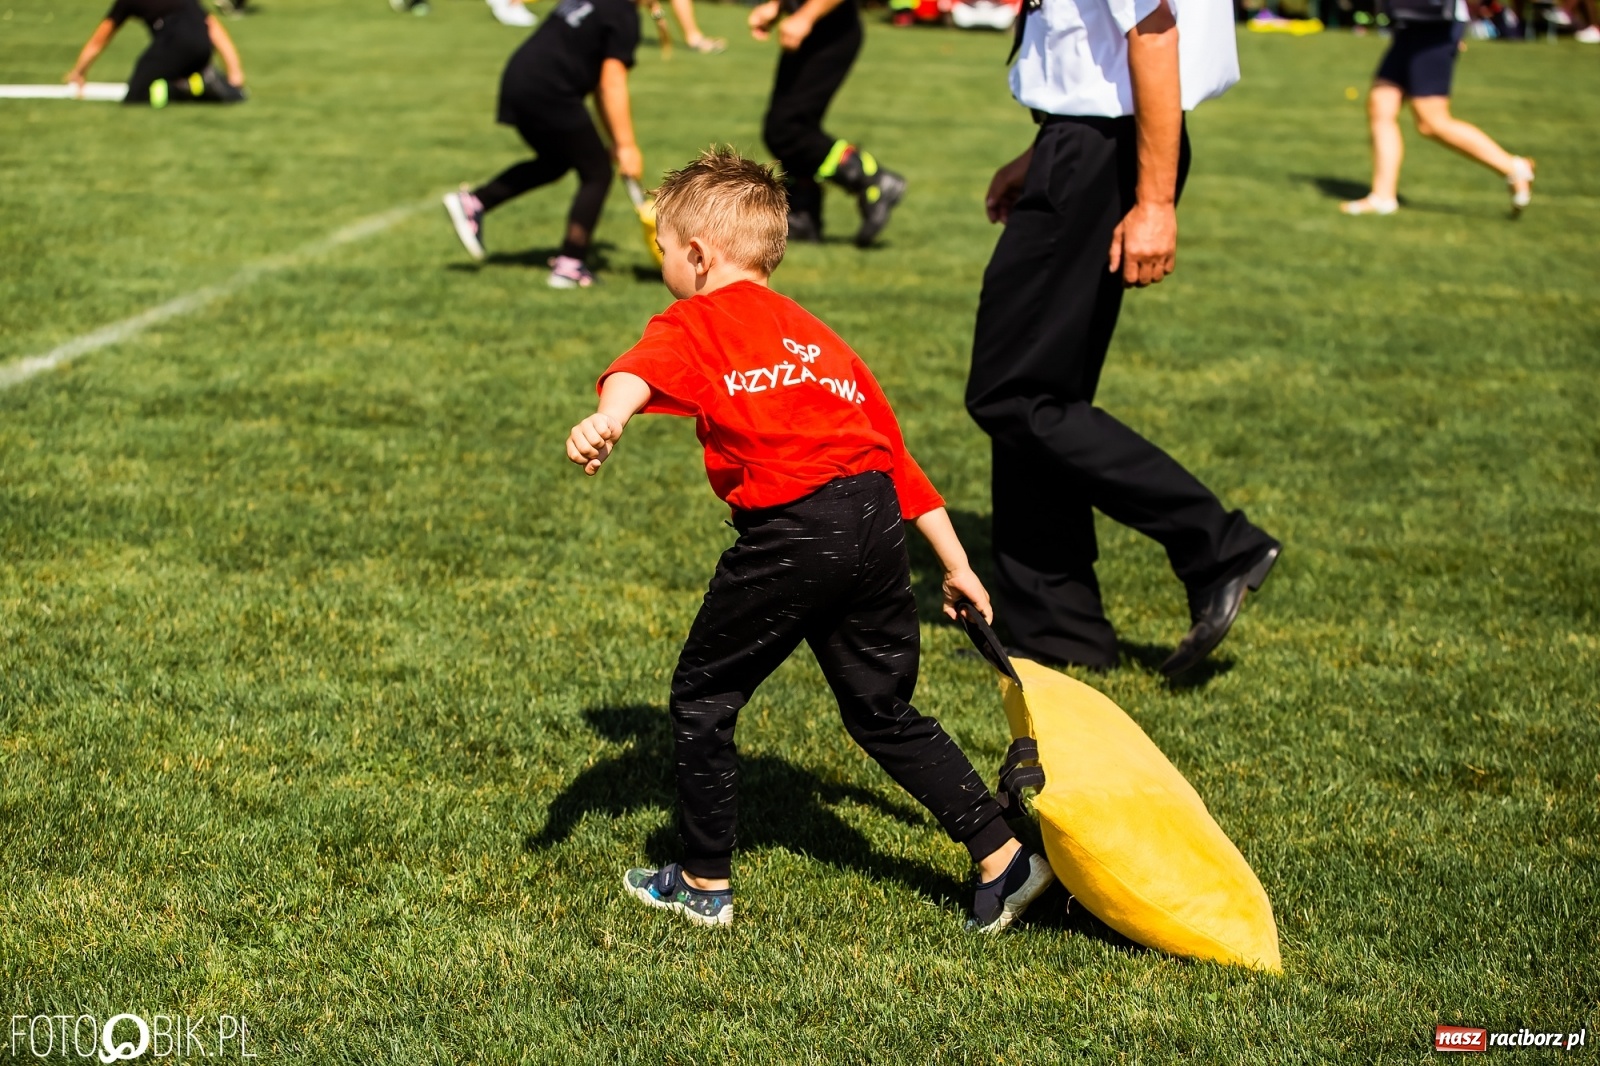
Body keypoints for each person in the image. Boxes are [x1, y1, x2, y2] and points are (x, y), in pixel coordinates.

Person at [565, 148, 1056, 931]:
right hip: (873, 522)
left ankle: (701, 883)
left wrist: (609, 418)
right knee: (880, 708)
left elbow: (640, 369)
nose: (661, 264)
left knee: (703, 696)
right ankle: (1005, 859)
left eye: (661, 250)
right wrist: (958, 565)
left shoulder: (695, 318)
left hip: (794, 529)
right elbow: (895, 460)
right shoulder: (820, 340)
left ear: (697, 254)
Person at [966, 0, 1280, 678]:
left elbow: (1155, 32)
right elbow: (1096, 46)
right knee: (1042, 394)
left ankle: (1218, 545)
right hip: (1083, 143)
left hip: (1103, 152)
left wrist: (1155, 203)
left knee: (1013, 393)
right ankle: (1057, 627)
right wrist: (1043, 150)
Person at [443, 0, 644, 288]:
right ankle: (570, 265)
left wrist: (615, 138)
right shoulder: (623, 14)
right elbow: (612, 83)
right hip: (551, 90)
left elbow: (601, 83)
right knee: (597, 172)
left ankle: (475, 202)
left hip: (520, 79)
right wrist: (626, 146)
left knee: (555, 161)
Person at [1341, 1, 1534, 215]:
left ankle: (1514, 168)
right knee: (1381, 103)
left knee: (1431, 121)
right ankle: (1382, 196)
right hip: (1410, 21)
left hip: (1437, 24)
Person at [747, 0, 905, 245]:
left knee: (787, 129)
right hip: (814, 31)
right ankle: (803, 214)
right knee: (786, 125)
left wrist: (805, 17)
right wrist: (777, 6)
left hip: (831, 33)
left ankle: (872, 178)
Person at [65, 0, 247, 108]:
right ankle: (201, 82)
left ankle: (190, 88)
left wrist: (79, 71)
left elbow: (100, 39)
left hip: (176, 41)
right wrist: (234, 70)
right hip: (202, 45)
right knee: (165, 73)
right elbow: (213, 26)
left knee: (136, 95)